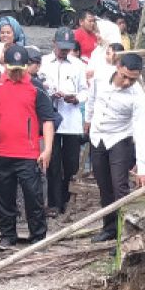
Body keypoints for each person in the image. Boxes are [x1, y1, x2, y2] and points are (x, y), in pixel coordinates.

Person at [0, 45, 55, 248]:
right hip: (0, 151)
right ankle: (7, 235)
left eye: (20, 68)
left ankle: (38, 235)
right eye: (12, 68)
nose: (16, 73)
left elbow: (47, 120)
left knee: (33, 195)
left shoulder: (36, 88)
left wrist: (47, 149)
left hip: (28, 153)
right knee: (4, 196)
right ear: (5, 65)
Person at [87, 51, 145, 242]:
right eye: (125, 77)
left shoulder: (137, 94)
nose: (127, 82)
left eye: (133, 79)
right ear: (118, 67)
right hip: (97, 137)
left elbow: (140, 129)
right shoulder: (100, 77)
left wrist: (142, 168)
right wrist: (87, 120)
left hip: (120, 139)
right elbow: (91, 99)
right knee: (104, 185)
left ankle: (124, 234)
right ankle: (110, 228)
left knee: (119, 187)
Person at [39, 28, 88, 217]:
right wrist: (50, 93)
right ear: (54, 43)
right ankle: (53, 203)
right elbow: (38, 85)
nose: (64, 52)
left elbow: (85, 90)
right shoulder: (44, 62)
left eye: (67, 49)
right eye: (61, 48)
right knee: (52, 163)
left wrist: (75, 98)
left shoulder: (78, 65)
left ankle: (68, 201)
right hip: (50, 119)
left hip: (71, 120)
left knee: (71, 164)